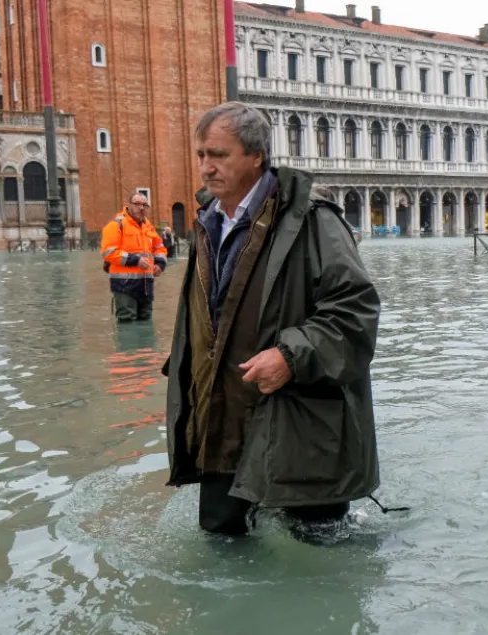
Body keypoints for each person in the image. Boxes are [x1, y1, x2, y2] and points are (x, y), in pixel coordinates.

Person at [161, 102, 382, 540]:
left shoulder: (315, 221)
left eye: (218, 155)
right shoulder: (207, 222)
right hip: (220, 423)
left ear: (256, 155)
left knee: (317, 560)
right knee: (222, 546)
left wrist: (289, 356)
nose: (205, 168)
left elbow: (356, 313)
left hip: (299, 426)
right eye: (201, 155)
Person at [100, 192, 167, 322]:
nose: (141, 208)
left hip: (146, 284)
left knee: (146, 319)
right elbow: (109, 252)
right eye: (137, 204)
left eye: (144, 205)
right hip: (124, 285)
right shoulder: (116, 225)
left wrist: (160, 264)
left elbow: (159, 247)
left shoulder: (149, 227)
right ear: (129, 206)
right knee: (127, 321)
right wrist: (136, 260)